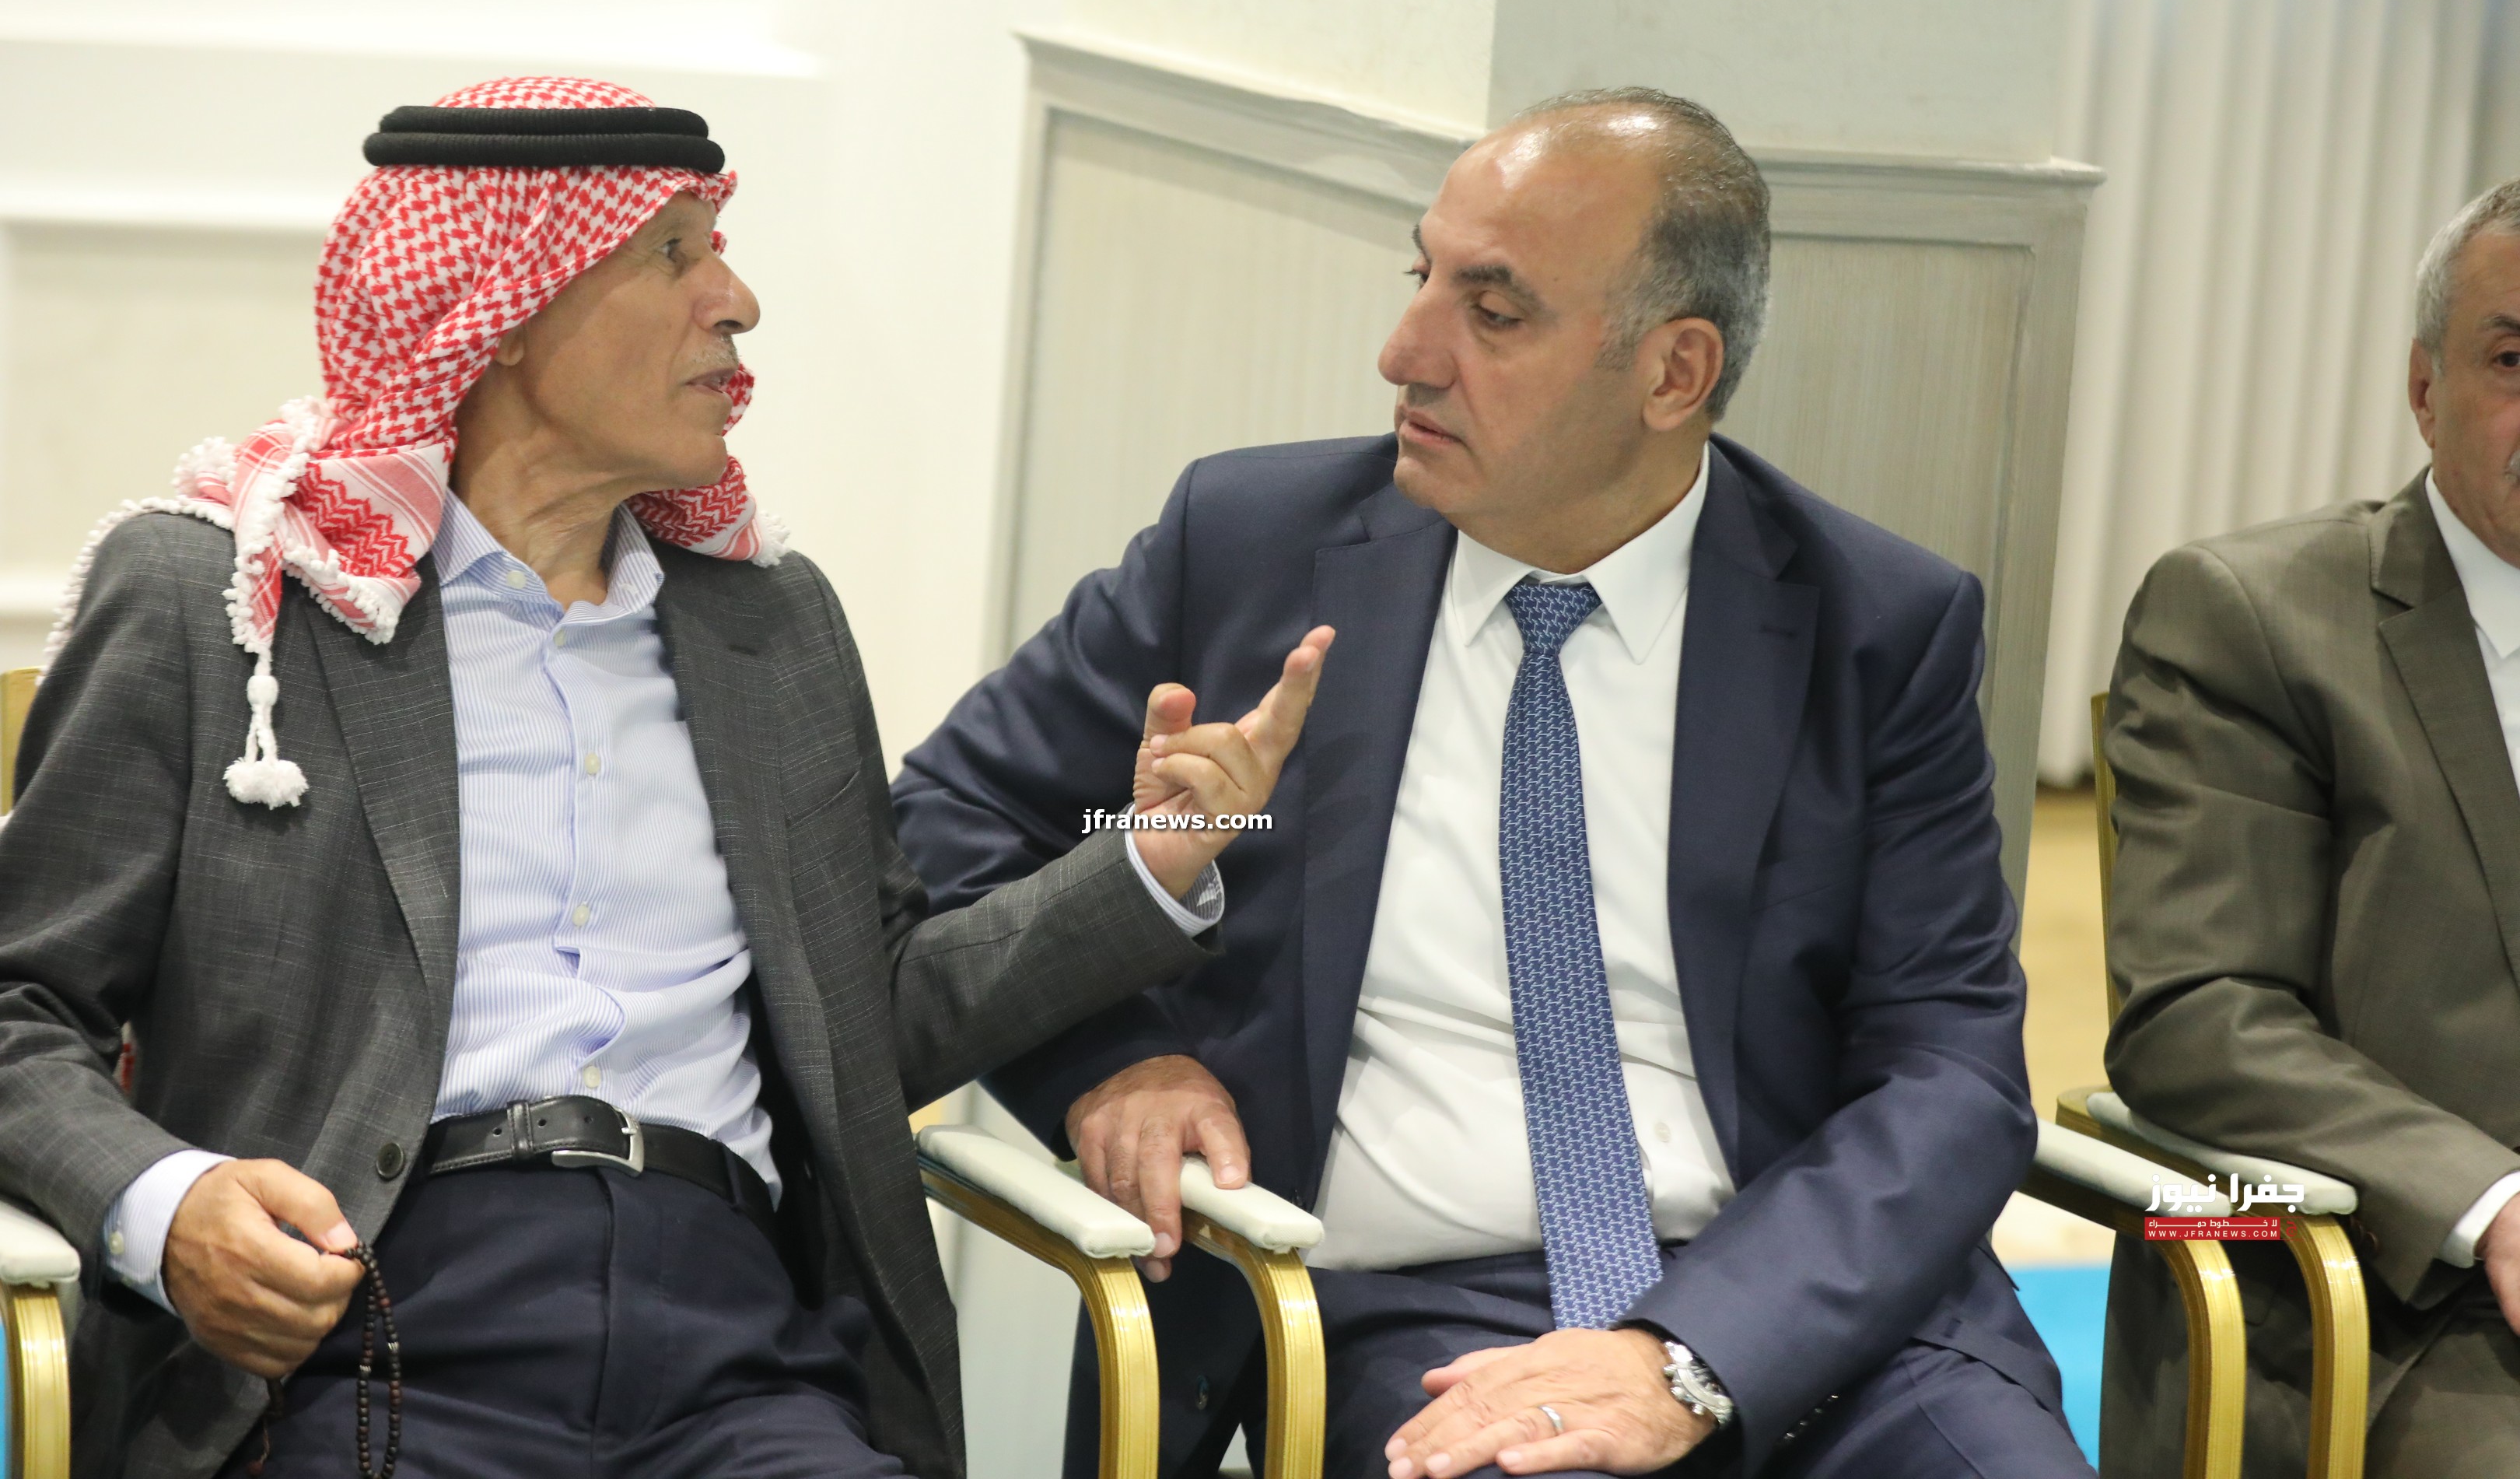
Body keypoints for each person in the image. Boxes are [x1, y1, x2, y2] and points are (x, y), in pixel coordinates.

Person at [0, 75, 1330, 1479]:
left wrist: (1148, 861)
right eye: (675, 253)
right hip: (363, 1333)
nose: (737, 302)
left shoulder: (769, 628)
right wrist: (166, 1204)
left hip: (735, 1352)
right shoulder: (230, 600)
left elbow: (869, 1019)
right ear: (508, 306)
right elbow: (21, 1005)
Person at [892, 89, 2087, 1478]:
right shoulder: (1250, 550)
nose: (1405, 352)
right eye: (1422, 278)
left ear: (1674, 373)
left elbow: (1947, 1071)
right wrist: (1114, 1060)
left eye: (1494, 312)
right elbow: (946, 829)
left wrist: (1691, 1352)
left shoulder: (1875, 625)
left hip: (1807, 1309)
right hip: (1417, 1311)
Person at [2098, 176, 2520, 1474]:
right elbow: (2197, 1014)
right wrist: (2492, 1206)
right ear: (2425, 388)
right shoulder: (2256, 618)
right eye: (2514, 361)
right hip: (2403, 1304)